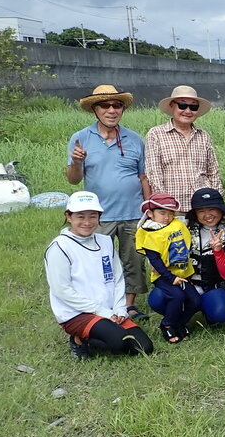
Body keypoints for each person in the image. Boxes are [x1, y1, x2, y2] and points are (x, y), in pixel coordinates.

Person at [66, 85, 151, 321]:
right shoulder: (81, 138)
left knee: (134, 260)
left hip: (133, 212)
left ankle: (129, 305)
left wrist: (149, 208)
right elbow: (74, 180)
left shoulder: (134, 139)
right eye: (105, 105)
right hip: (98, 216)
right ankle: (100, 306)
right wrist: (75, 162)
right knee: (98, 262)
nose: (112, 110)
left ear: (122, 109)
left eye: (117, 105)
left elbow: (143, 176)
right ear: (95, 110)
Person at [44, 191, 154, 359]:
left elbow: (117, 279)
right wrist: (102, 312)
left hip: (109, 310)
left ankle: (105, 330)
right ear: (68, 216)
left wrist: (119, 309)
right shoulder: (59, 247)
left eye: (92, 216)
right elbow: (62, 290)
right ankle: (78, 339)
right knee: (119, 342)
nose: (87, 222)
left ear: (99, 217)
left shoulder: (105, 241)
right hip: (77, 313)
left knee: (144, 347)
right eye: (80, 217)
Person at [145, 85, 223, 213]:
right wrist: (165, 206)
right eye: (182, 105)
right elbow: (154, 174)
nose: (188, 111)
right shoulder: (156, 134)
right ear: (172, 106)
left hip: (202, 208)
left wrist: (216, 202)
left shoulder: (203, 136)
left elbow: (213, 173)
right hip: (173, 209)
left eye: (193, 107)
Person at [135, 192, 201, 344]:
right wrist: (171, 278)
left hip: (182, 273)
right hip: (163, 276)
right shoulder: (149, 232)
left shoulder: (176, 225)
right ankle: (167, 324)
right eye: (162, 213)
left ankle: (180, 322)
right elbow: (155, 261)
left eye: (170, 213)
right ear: (150, 213)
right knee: (177, 296)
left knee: (196, 301)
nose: (167, 217)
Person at [181, 188, 225, 325]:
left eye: (212, 209)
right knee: (159, 297)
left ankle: (210, 308)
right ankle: (179, 313)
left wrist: (218, 251)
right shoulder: (184, 229)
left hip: (214, 286)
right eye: (201, 211)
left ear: (221, 210)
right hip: (188, 286)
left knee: (220, 313)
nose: (207, 215)